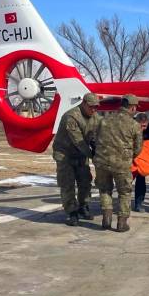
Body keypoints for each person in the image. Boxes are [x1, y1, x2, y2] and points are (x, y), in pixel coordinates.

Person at [93, 95, 143, 232]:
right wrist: (128, 157)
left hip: (102, 162)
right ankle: (122, 222)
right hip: (122, 164)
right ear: (132, 107)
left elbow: (94, 139)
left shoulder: (104, 120)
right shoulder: (134, 125)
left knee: (104, 189)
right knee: (124, 192)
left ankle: (106, 218)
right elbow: (138, 148)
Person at [52, 92, 101, 226]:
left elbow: (99, 136)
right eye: (91, 106)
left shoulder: (96, 117)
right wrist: (95, 157)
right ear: (84, 103)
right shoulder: (72, 116)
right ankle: (71, 212)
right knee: (67, 183)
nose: (94, 109)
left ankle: (83, 206)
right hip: (65, 154)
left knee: (85, 181)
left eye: (96, 107)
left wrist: (100, 149)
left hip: (81, 154)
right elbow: (78, 141)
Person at [132, 112, 149, 212]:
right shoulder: (130, 126)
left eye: (145, 125)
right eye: (141, 126)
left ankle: (139, 203)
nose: (144, 128)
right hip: (129, 156)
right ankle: (122, 203)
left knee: (141, 180)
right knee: (126, 181)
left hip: (142, 157)